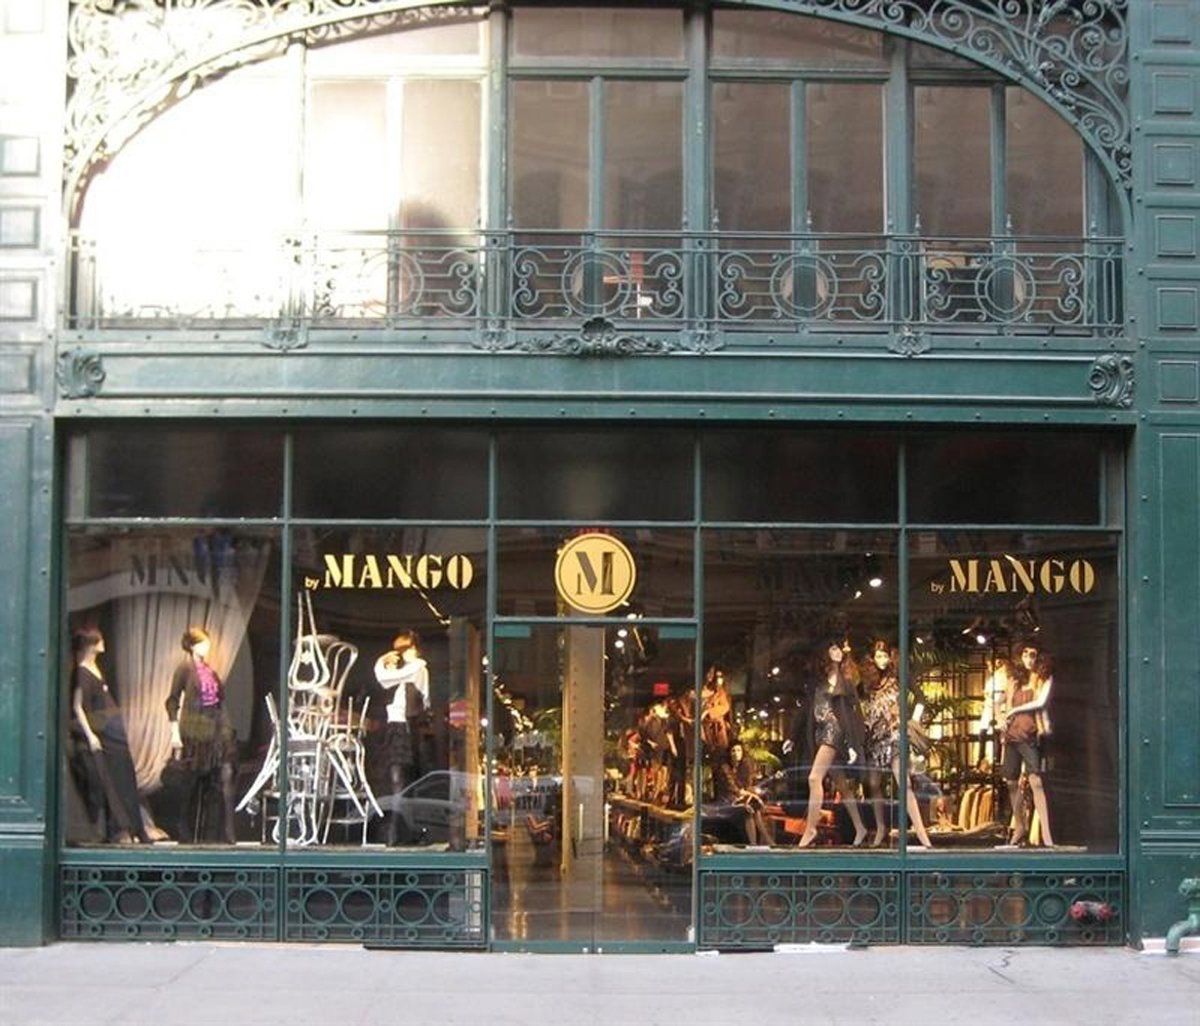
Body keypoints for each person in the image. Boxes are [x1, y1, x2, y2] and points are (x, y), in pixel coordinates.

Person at [70, 627, 152, 844]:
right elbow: (78, 707)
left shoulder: (95, 667)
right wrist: (90, 735)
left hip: (113, 733)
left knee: (125, 778)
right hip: (103, 734)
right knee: (111, 781)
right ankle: (120, 829)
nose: (103, 643)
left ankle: (135, 828)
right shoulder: (82, 672)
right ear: (90, 645)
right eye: (98, 640)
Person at [165, 626, 239, 844]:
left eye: (206, 643)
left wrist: (227, 730)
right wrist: (174, 731)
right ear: (192, 646)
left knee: (226, 774)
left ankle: (228, 829)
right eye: (201, 643)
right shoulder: (184, 669)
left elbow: (220, 702)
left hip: (216, 729)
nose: (206, 647)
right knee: (191, 779)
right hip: (195, 730)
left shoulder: (210, 671)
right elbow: (172, 700)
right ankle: (182, 824)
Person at [860, 640, 933, 848]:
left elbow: (920, 697)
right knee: (874, 784)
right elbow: (856, 702)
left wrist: (913, 721)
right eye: (878, 656)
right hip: (874, 737)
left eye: (885, 656)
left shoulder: (899, 676)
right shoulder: (868, 682)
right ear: (873, 658)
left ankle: (921, 833)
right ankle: (881, 827)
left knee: (904, 782)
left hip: (895, 734)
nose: (882, 660)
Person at [798, 639, 868, 848]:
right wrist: (792, 737)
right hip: (820, 732)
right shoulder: (818, 682)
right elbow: (806, 710)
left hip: (834, 730)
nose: (838, 652)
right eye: (834, 648)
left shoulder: (846, 682)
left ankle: (810, 828)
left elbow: (855, 713)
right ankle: (860, 827)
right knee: (842, 785)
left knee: (814, 778)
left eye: (839, 648)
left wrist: (854, 743)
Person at [373, 629, 431, 845]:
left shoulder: (418, 667)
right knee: (398, 781)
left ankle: (398, 833)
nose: (402, 653)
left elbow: (384, 679)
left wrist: (381, 661)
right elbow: (386, 682)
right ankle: (400, 832)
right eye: (398, 649)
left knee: (402, 782)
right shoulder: (407, 671)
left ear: (415, 648)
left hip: (406, 728)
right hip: (397, 727)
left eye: (405, 648)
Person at [1000, 640, 1055, 848]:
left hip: (1029, 733)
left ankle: (1047, 834)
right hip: (1012, 734)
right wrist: (1002, 718)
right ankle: (1020, 826)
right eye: (1025, 654)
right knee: (1011, 781)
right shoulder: (1014, 680)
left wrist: (1013, 711)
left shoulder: (1043, 678)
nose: (1028, 659)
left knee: (1035, 781)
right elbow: (1003, 702)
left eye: (1032, 654)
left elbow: (1040, 702)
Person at [714, 740, 772, 846]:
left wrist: (751, 796)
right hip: (728, 799)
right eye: (733, 751)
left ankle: (761, 842)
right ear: (729, 753)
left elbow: (748, 786)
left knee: (753, 809)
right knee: (748, 809)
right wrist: (755, 797)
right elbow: (733, 788)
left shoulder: (745, 767)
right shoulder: (725, 768)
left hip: (742, 798)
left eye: (739, 750)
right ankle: (759, 842)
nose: (736, 753)